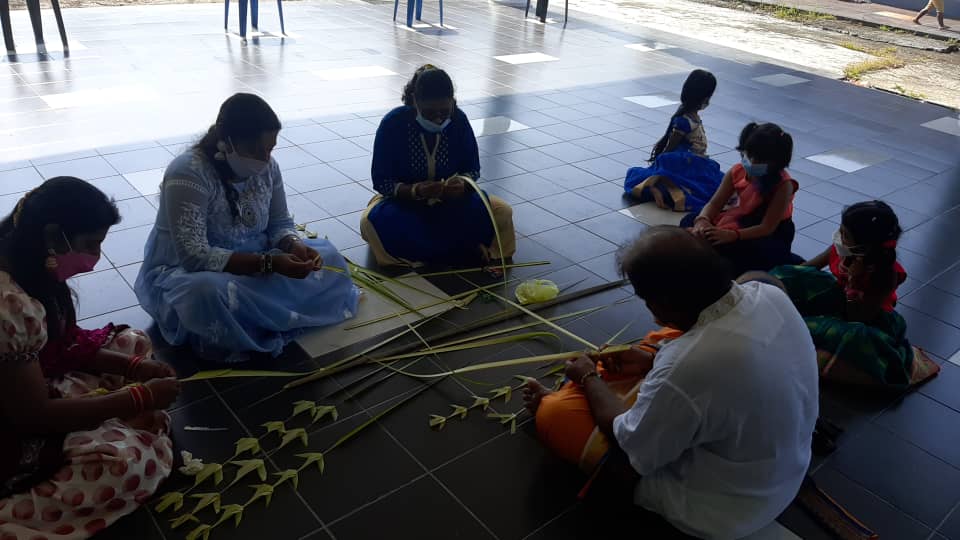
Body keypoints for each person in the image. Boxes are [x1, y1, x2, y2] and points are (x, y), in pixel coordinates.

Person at [524, 226, 818, 540]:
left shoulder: (688, 364)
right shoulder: (769, 293)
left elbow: (627, 439)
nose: (650, 311)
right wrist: (653, 359)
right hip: (788, 470)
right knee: (658, 346)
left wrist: (587, 376)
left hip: (725, 508)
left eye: (647, 300)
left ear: (662, 303)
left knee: (556, 415)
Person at [0, 177, 181, 540]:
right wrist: (138, 397)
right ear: (55, 236)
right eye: (90, 245)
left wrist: (131, 367)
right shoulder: (8, 305)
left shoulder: (29, 259)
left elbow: (64, 341)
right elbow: (33, 415)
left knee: (132, 344)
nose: (95, 259)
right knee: (122, 466)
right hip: (15, 420)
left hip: (28, 377)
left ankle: (114, 420)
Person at [135, 93, 360, 364]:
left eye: (270, 149)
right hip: (197, 271)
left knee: (330, 257)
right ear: (227, 141)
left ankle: (261, 316)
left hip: (259, 257)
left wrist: (293, 245)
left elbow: (279, 222)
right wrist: (269, 265)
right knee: (206, 292)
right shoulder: (187, 173)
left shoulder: (267, 168)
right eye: (256, 151)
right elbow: (194, 256)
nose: (265, 159)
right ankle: (262, 318)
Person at [360, 65, 517, 267]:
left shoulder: (458, 120)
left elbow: (473, 169)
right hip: (406, 205)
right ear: (415, 100)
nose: (439, 118)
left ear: (452, 102)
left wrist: (462, 185)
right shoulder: (393, 124)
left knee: (501, 211)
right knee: (370, 223)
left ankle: (435, 253)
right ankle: (463, 249)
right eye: (430, 112)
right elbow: (382, 181)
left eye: (444, 111)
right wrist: (416, 191)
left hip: (452, 203)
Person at [770, 201, 940, 388]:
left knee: (850, 336)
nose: (839, 236)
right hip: (841, 297)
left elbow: (857, 316)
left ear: (864, 246)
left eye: (845, 234)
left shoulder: (885, 274)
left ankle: (801, 329)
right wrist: (786, 283)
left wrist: (853, 278)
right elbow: (808, 268)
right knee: (786, 274)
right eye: (841, 230)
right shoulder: (841, 249)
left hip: (868, 318)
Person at [682, 122, 800, 275]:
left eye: (759, 160)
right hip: (738, 219)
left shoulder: (783, 185)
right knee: (690, 221)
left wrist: (732, 235)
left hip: (765, 232)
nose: (751, 162)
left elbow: (766, 227)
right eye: (749, 155)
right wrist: (702, 220)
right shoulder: (737, 171)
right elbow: (715, 203)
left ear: (775, 163)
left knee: (730, 250)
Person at [623, 70, 723, 213]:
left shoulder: (692, 116)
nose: (708, 101)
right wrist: (660, 163)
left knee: (713, 184)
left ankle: (657, 188)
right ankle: (654, 189)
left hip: (696, 163)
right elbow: (671, 147)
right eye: (707, 97)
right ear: (702, 98)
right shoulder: (683, 121)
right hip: (684, 164)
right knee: (698, 190)